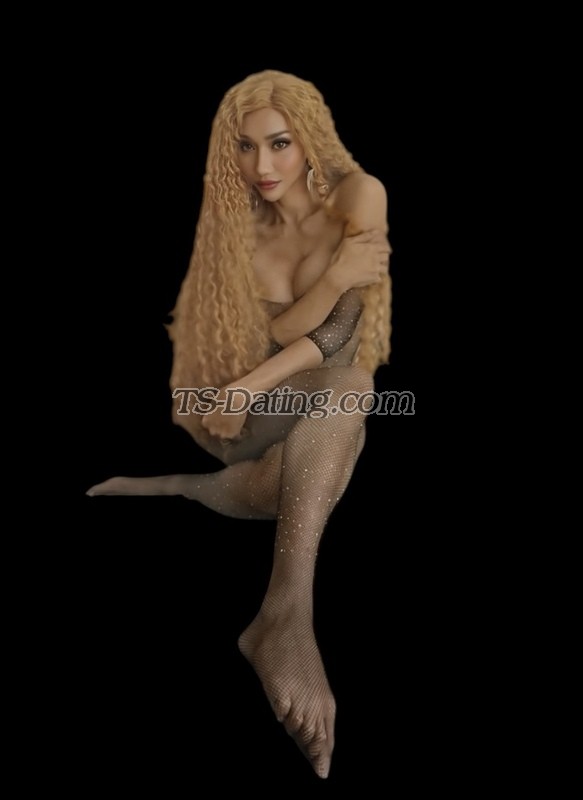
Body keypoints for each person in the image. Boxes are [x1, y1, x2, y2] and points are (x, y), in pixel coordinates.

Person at [87, 69, 391, 780]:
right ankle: (286, 614)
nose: (261, 166)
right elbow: (260, 339)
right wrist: (323, 288)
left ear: (309, 139)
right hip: (226, 406)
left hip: (279, 390)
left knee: (343, 403)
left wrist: (266, 366)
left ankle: (189, 498)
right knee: (347, 401)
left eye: (279, 143)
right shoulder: (236, 219)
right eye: (245, 147)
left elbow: (342, 325)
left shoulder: (359, 193)